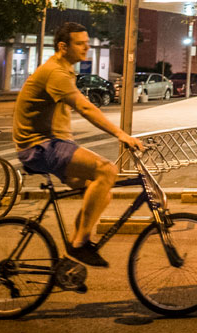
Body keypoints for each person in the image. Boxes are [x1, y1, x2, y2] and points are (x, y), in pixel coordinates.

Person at [13, 22, 143, 268]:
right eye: (81, 43)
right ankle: (79, 244)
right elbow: (84, 107)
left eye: (87, 42)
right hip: (40, 146)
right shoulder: (56, 72)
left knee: (102, 192)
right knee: (107, 170)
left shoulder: (65, 69)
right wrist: (121, 134)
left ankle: (71, 254)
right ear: (63, 46)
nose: (87, 46)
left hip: (53, 143)